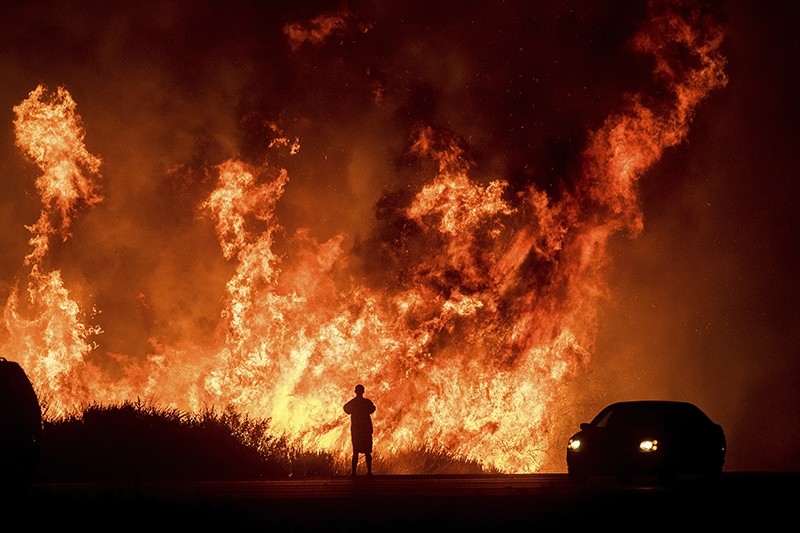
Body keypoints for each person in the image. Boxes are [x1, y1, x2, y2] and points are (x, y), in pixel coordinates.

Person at [343, 384, 376, 476]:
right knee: (367, 452)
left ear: (355, 392)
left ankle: (353, 473)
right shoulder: (366, 402)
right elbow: (373, 409)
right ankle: (369, 472)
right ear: (363, 391)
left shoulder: (353, 403)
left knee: (356, 452)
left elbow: (346, 409)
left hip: (357, 430)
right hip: (365, 430)